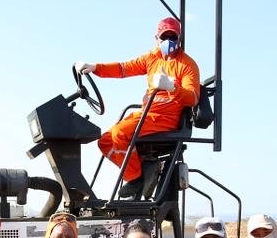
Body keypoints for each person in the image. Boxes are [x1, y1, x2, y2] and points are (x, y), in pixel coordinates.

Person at [75, 16, 201, 199]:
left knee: (120, 133)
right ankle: (141, 173)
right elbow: (124, 68)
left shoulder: (187, 65)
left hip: (166, 119)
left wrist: (172, 87)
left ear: (179, 38)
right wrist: (96, 68)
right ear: (156, 38)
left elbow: (193, 98)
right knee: (105, 141)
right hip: (148, 114)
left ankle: (136, 178)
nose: (168, 41)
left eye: (172, 37)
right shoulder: (152, 58)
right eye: (164, 37)